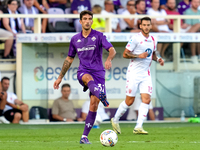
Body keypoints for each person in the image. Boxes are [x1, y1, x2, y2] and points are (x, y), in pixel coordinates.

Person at [53, 10, 116, 144]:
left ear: (92, 21)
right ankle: (101, 94)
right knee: (88, 79)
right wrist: (60, 77)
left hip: (99, 73)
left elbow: (112, 49)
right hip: (83, 71)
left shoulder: (99, 36)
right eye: (85, 19)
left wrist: (109, 59)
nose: (87, 21)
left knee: (93, 105)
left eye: (90, 19)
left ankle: (84, 137)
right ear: (80, 21)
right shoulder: (75, 39)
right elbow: (69, 59)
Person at [111, 17, 164, 135]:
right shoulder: (135, 39)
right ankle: (115, 119)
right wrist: (138, 56)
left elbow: (152, 54)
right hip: (134, 73)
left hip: (146, 74)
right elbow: (125, 54)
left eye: (148, 25)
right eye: (144, 25)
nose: (146, 27)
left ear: (150, 26)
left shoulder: (154, 39)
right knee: (129, 101)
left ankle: (138, 126)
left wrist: (159, 59)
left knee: (147, 99)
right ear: (140, 26)